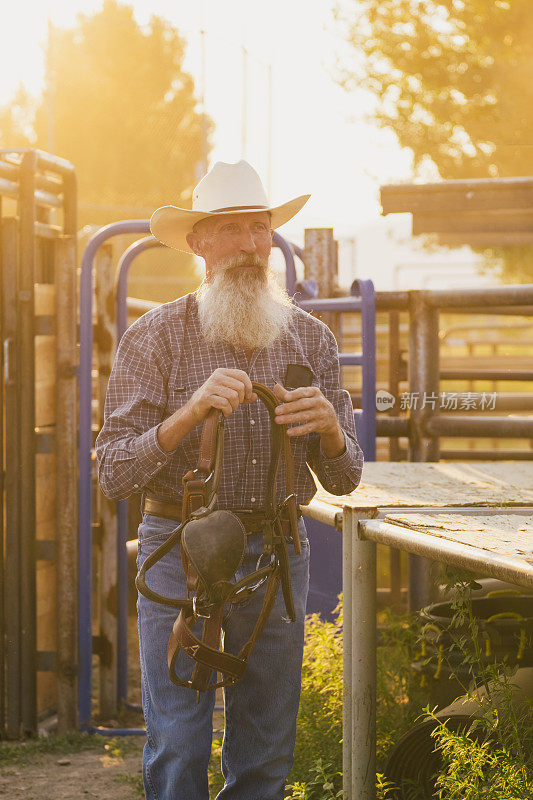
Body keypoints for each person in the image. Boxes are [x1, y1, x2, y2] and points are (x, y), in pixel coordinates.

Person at [96, 159, 363, 800]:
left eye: (260, 227)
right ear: (198, 241)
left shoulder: (313, 340)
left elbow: (347, 478)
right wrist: (190, 413)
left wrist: (330, 430)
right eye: (233, 228)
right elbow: (112, 472)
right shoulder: (153, 336)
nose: (249, 244)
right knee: (179, 748)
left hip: (277, 550)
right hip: (176, 547)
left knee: (266, 751)